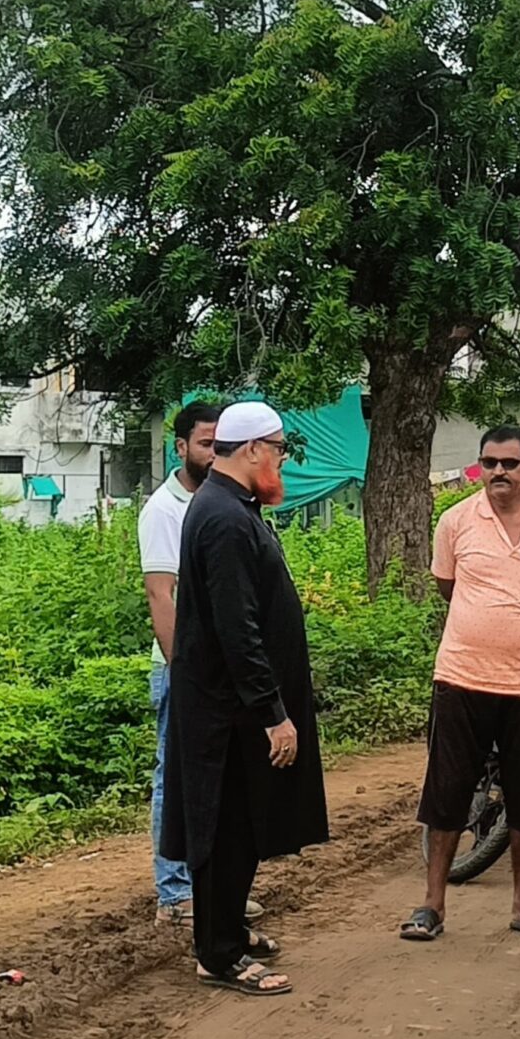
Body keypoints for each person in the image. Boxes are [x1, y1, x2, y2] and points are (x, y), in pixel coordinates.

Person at [159, 401, 329, 995]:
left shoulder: (230, 507)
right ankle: (219, 954)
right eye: (279, 450)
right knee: (226, 829)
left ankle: (225, 928)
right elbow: (238, 629)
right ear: (254, 449)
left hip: (232, 707)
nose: (281, 460)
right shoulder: (225, 518)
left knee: (243, 825)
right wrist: (272, 713)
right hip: (228, 713)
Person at [402, 425, 520, 944]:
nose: (497, 472)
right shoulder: (456, 521)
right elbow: (446, 586)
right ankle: (432, 905)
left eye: (508, 463)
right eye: (488, 463)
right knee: (448, 792)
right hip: (463, 675)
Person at [139, 398, 222, 926]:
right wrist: (181, 669)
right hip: (183, 668)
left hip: (218, 667)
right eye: (206, 444)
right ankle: (175, 894)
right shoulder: (165, 510)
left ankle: (210, 887)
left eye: (222, 444)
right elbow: (160, 596)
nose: (215, 454)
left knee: (214, 779)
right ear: (182, 446)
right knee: (175, 776)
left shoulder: (222, 501)